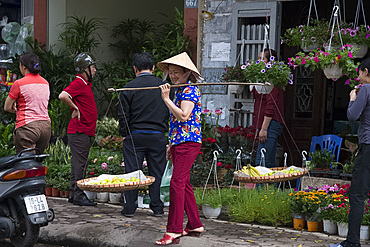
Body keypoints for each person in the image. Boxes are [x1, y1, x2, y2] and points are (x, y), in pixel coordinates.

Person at [155, 52, 204, 245]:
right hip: (179, 142)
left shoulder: (190, 90)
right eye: (171, 72)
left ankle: (174, 229)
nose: (173, 76)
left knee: (176, 183)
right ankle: (194, 223)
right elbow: (176, 122)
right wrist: (171, 144)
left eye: (177, 72)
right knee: (184, 183)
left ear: (187, 73)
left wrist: (166, 99)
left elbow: (184, 115)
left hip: (188, 142)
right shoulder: (180, 91)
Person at [118, 52, 171, 217]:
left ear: (135, 69)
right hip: (157, 136)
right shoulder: (164, 87)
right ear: (153, 68)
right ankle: (157, 207)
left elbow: (123, 116)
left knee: (132, 172)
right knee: (156, 172)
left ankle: (130, 208)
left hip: (135, 136)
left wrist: (125, 134)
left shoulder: (127, 88)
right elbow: (169, 111)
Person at [334, 58, 370, 247]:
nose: (358, 77)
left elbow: (353, 115)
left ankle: (352, 243)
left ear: (365, 71)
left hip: (368, 146)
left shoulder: (365, 89)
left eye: (359, 73)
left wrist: (352, 100)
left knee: (357, 194)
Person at [59, 52, 97, 207]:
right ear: (85, 69)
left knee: (78, 164)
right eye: (93, 67)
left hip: (81, 131)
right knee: (80, 164)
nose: (95, 70)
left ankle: (74, 194)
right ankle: (79, 195)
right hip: (79, 131)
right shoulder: (79, 82)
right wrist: (75, 107)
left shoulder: (84, 83)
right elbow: (63, 95)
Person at [4, 52, 51, 153]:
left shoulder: (19, 83)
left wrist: (16, 108)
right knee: (37, 163)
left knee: (27, 165)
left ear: (24, 67)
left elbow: (7, 107)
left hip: (28, 127)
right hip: (45, 127)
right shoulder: (45, 83)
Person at [253, 48, 284, 168]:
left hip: (271, 122)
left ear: (270, 61)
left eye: (262, 59)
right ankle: (272, 187)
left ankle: (261, 187)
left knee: (262, 162)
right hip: (265, 123)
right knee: (268, 162)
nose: (259, 61)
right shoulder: (261, 77)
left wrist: (264, 128)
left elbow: (271, 105)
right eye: (258, 58)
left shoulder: (272, 79)